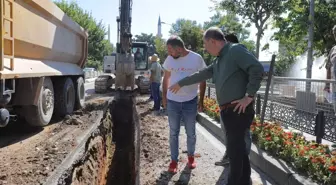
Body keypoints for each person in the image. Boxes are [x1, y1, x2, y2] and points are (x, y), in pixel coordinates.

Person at [168, 27, 263, 185]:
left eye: (205, 44)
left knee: (234, 153)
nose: (205, 48)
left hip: (238, 110)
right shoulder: (219, 59)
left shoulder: (234, 50)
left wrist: (249, 96)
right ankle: (245, 181)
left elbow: (256, 68)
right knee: (238, 151)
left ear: (213, 41)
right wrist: (181, 83)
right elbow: (202, 74)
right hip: (229, 111)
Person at [162, 36, 206, 173]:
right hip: (173, 102)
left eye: (171, 50)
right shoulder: (169, 60)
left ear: (179, 49)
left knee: (191, 132)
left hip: (190, 102)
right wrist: (164, 98)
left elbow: (203, 79)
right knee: (173, 133)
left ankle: (191, 157)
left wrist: (201, 100)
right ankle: (174, 161)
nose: (169, 53)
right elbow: (166, 79)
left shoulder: (196, 58)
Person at [215, 33, 252, 166]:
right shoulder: (224, 60)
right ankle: (230, 156)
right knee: (228, 133)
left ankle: (242, 161)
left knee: (244, 134)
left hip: (241, 107)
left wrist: (248, 97)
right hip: (227, 107)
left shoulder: (239, 56)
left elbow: (254, 73)